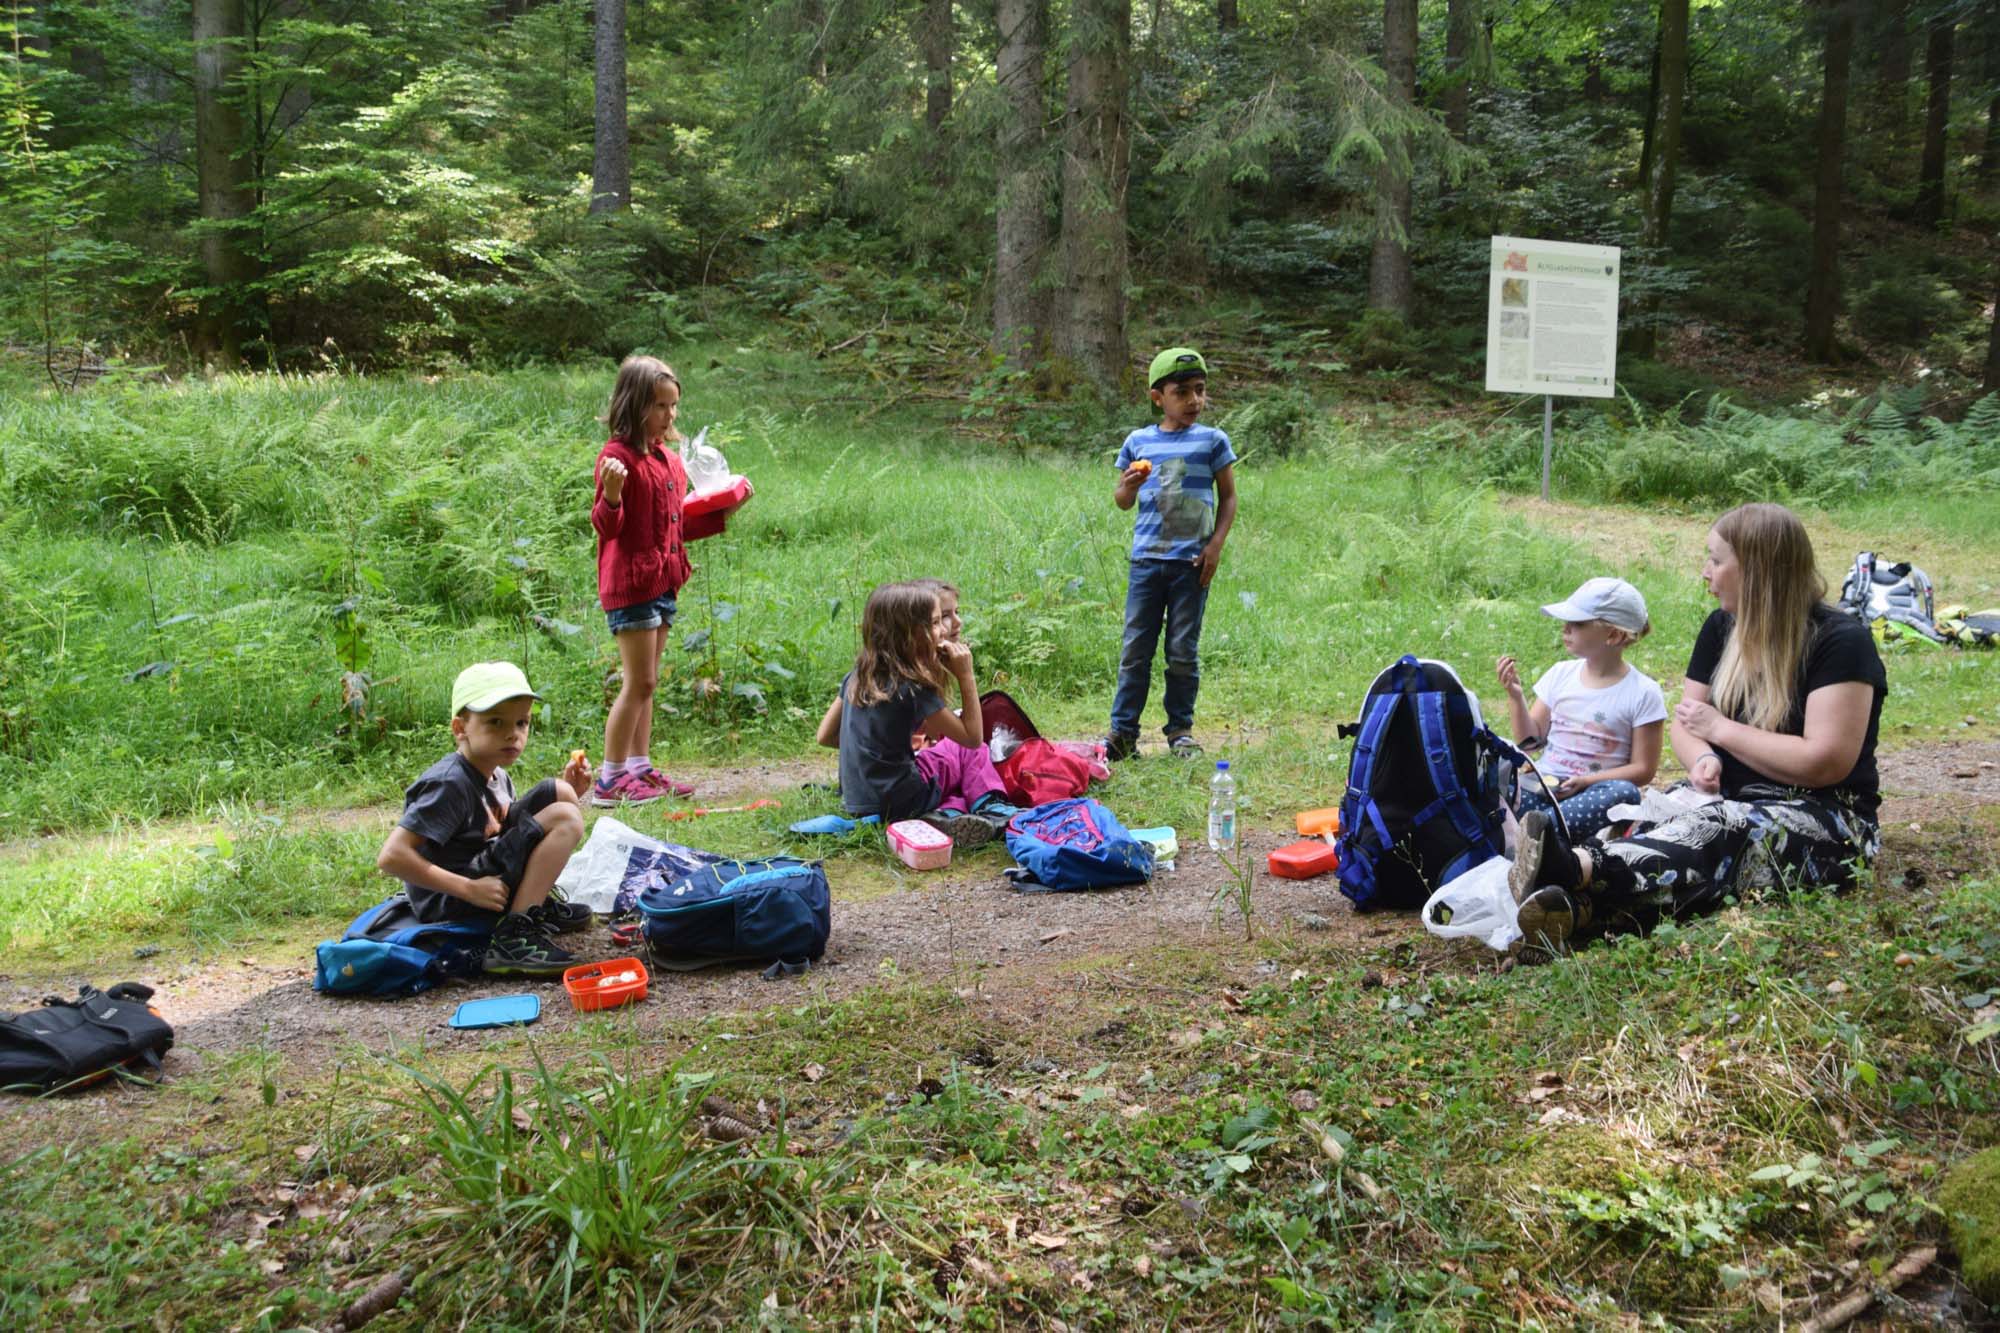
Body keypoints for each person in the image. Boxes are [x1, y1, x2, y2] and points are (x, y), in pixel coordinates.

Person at [1509, 503, 1887, 960]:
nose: (1705, 572)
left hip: (1827, 815)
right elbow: (1689, 728)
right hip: (1726, 793)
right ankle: (1575, 910)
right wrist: (1701, 757)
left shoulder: (1841, 641)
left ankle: (1569, 870)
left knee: (1717, 829)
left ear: (1758, 570)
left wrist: (1721, 732)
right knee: (1640, 816)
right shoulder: (1721, 628)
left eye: (1716, 560)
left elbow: (1824, 762)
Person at [374, 662, 595, 978]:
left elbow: (514, 832)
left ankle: (531, 906)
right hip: (453, 896)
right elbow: (392, 857)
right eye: (495, 722)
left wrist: (573, 791)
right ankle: (513, 938)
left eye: (522, 722)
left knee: (558, 793)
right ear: (460, 728)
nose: (512, 734)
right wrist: (467, 889)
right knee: (565, 818)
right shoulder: (449, 784)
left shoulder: (496, 774)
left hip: (481, 874)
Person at [1103, 347, 1239, 761]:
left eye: (1200, 391)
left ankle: (1180, 730)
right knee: (1135, 650)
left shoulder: (1213, 441)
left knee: (1182, 650)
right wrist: (1128, 485)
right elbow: (1122, 501)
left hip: (1191, 565)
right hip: (1147, 563)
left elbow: (1229, 497)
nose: (1194, 400)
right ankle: (1123, 734)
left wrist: (1214, 546)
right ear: (1157, 396)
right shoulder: (1138, 442)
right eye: (1182, 392)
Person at [816, 581, 1016, 845]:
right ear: (909, 634)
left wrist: (875, 752)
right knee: (970, 752)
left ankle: (947, 814)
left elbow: (826, 736)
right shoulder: (912, 687)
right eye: (935, 623)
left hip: (858, 802)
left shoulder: (856, 677)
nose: (943, 630)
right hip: (902, 799)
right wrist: (966, 676)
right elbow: (971, 738)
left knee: (945, 774)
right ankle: (992, 806)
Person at [590, 354, 697, 806]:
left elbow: (676, 520)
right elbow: (606, 527)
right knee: (639, 682)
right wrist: (612, 495)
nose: (668, 415)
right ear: (634, 405)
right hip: (631, 585)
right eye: (659, 406)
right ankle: (610, 778)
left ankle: (640, 766)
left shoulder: (669, 460)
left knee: (649, 680)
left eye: (673, 406)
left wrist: (723, 505)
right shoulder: (616, 458)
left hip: (663, 580)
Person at [1494, 576, 1666, 842]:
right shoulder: (1560, 674)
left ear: (1614, 635)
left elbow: (1643, 769)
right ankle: (1542, 838)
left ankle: (1533, 839)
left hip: (1592, 794)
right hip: (1543, 787)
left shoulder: (1643, 692)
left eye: (1577, 623)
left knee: (1625, 793)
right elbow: (1529, 742)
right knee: (1493, 779)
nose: (1565, 629)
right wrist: (1516, 697)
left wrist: (1588, 782)